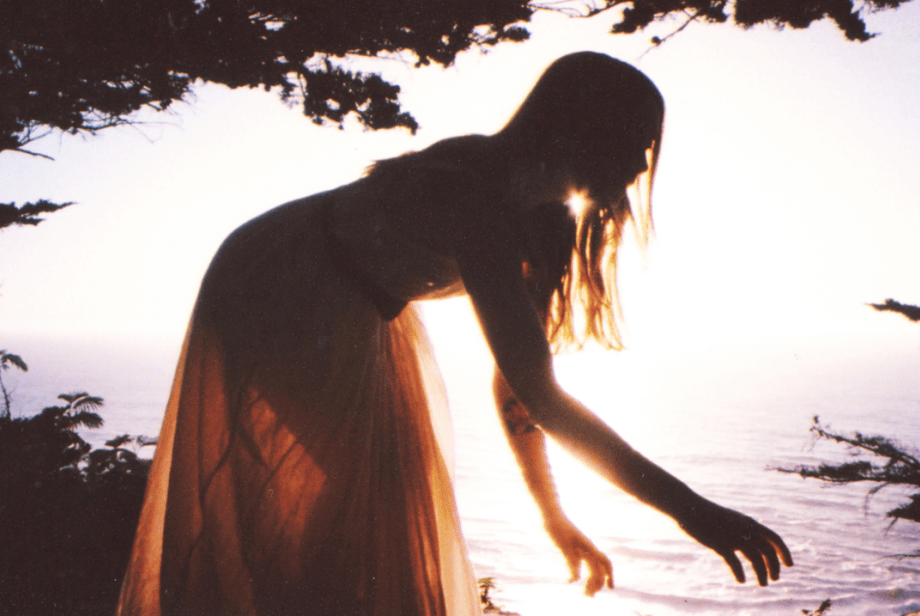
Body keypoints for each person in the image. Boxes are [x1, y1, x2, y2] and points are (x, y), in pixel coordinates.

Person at [117, 52, 792, 616]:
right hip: (278, 282)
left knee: (374, 525)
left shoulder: (546, 220)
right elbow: (544, 399)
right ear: (582, 129)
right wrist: (690, 510)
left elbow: (519, 390)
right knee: (345, 519)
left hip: (361, 305)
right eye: (635, 143)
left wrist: (552, 516)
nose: (641, 167)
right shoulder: (473, 197)